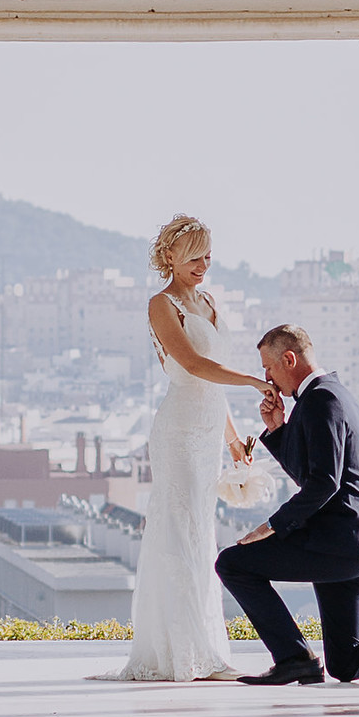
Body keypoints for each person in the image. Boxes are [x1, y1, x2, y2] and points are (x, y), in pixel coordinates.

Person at [215, 325, 359, 687]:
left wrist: (272, 525)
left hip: (339, 544)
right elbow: (315, 476)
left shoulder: (323, 399)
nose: (267, 377)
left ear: (289, 359)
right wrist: (277, 430)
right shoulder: (323, 396)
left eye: (268, 368)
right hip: (354, 550)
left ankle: (294, 658)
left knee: (233, 563)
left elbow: (325, 483)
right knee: (346, 664)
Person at [119, 214, 268, 683]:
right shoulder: (161, 305)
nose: (203, 265)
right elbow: (193, 364)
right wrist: (249, 379)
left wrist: (233, 443)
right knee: (178, 532)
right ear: (170, 257)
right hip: (180, 428)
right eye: (194, 257)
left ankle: (204, 649)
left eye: (207, 256)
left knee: (202, 533)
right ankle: (178, 653)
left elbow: (214, 382)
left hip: (208, 431)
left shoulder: (208, 300)